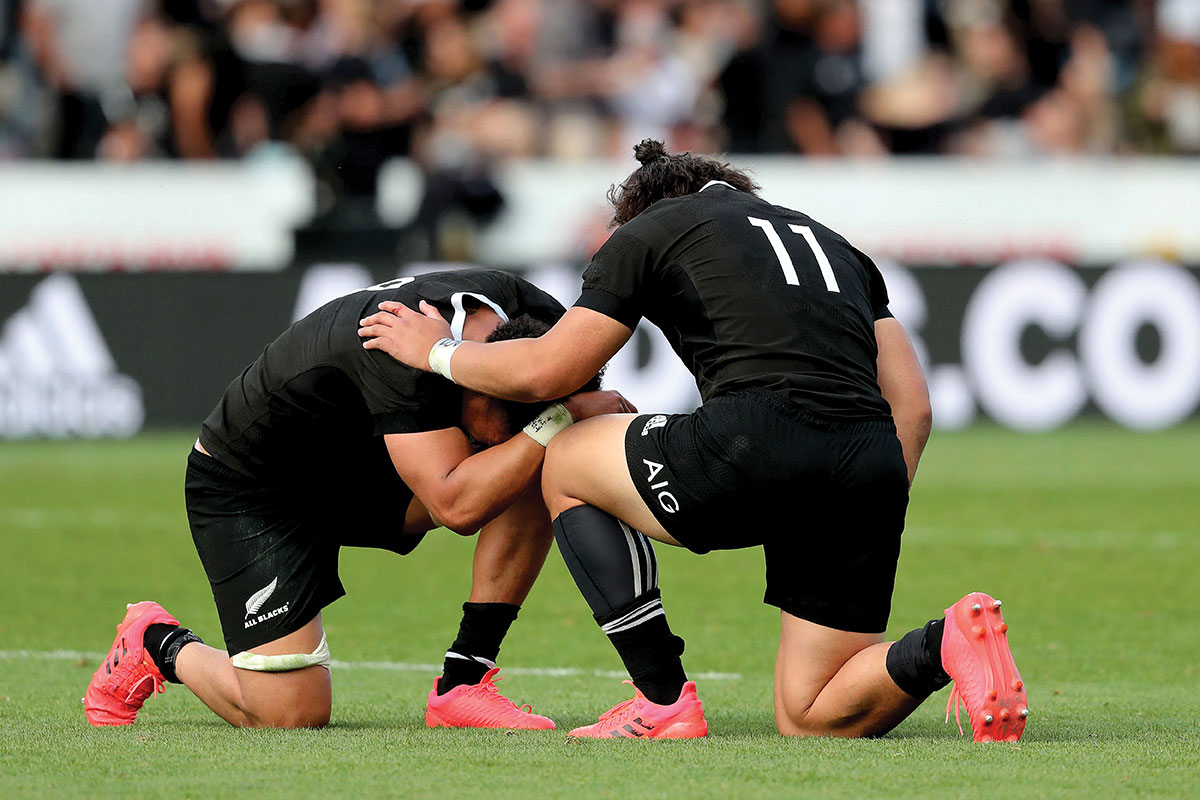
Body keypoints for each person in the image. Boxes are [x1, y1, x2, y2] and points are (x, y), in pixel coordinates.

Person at [356, 141, 1030, 742]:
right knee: (812, 714)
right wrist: (860, 513)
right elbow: (912, 407)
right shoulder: (837, 246)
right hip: (869, 465)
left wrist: (439, 352)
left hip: (754, 437)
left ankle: (662, 699)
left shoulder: (652, 230)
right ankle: (946, 643)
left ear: (644, 206)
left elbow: (546, 370)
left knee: (562, 452)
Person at [84, 269, 632, 730]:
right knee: (290, 713)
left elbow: (562, 411)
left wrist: (561, 421)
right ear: (472, 379)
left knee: (534, 459)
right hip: (256, 485)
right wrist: (551, 423)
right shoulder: (399, 342)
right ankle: (156, 642)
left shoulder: (539, 328)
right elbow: (456, 508)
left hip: (363, 461)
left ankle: (463, 682)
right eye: (487, 423)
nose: (487, 437)